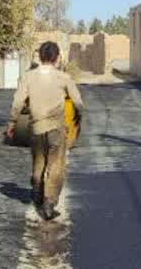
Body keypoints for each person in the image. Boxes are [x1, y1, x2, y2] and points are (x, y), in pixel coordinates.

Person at [7, 42, 84, 221]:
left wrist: (11, 123)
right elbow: (78, 102)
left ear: (40, 56)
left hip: (36, 128)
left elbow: (17, 102)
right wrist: (78, 116)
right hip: (56, 128)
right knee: (56, 166)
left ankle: (36, 190)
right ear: (56, 58)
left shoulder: (28, 77)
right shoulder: (63, 77)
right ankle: (49, 204)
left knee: (38, 162)